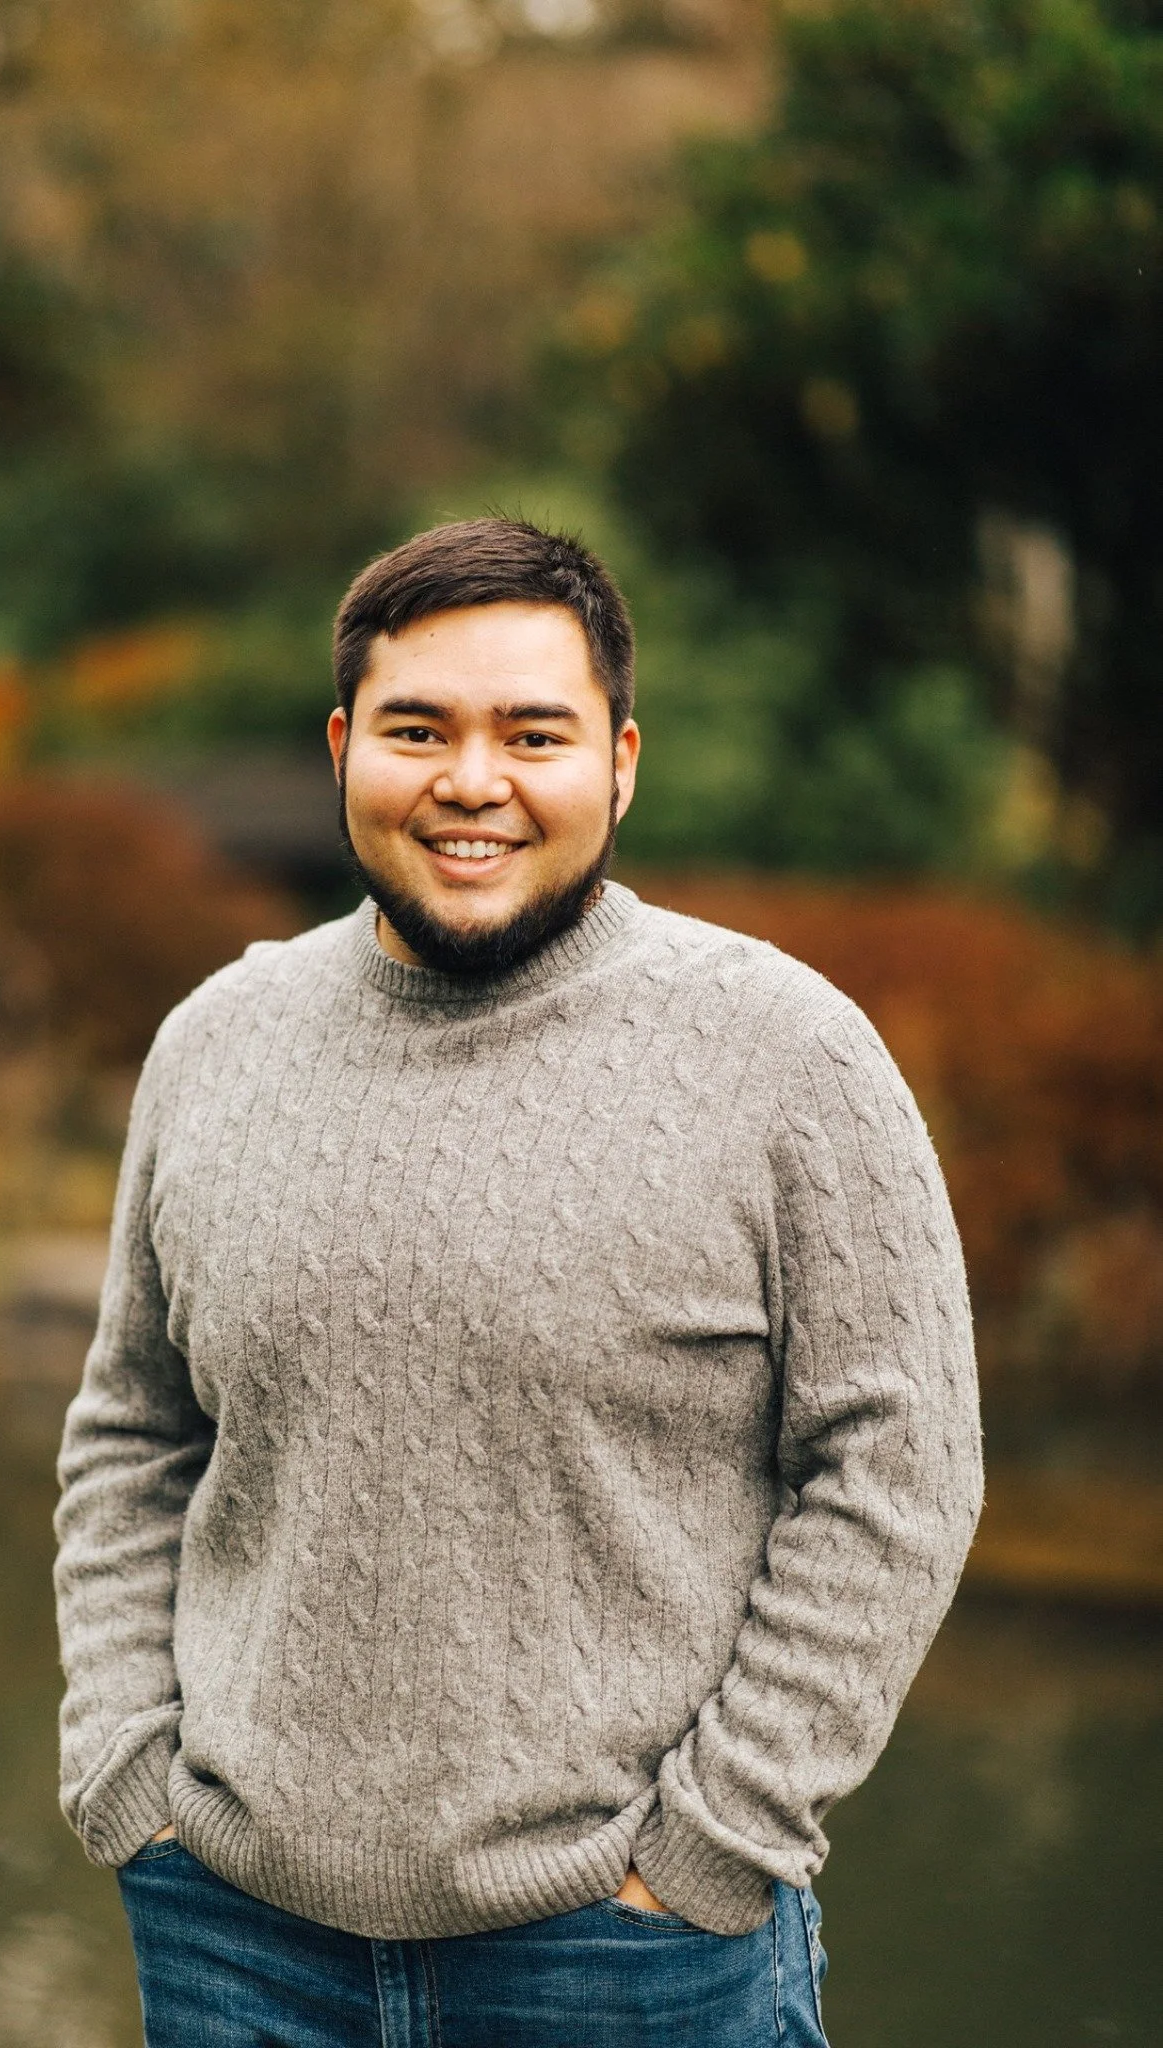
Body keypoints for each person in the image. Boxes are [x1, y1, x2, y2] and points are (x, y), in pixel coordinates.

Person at [54, 517, 982, 2047]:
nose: (470, 780)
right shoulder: (215, 1042)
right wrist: (127, 1773)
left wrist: (710, 1845)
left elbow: (902, 1470)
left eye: (530, 733)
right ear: (345, 748)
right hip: (236, 1940)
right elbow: (131, 1435)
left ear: (619, 762)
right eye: (418, 729)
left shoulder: (787, 1056)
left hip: (629, 1959)